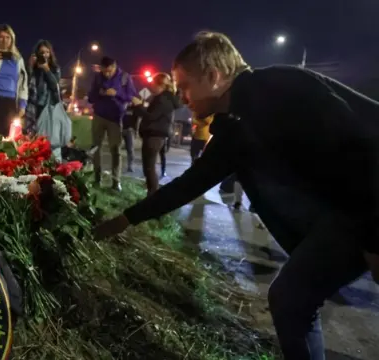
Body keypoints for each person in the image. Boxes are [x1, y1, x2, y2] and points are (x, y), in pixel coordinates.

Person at [94, 31, 379, 360]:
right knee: (292, 300)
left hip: (366, 208)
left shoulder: (281, 88)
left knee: (291, 297)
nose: (182, 97)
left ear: (213, 77)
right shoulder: (234, 127)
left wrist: (373, 238)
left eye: (185, 86)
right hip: (351, 215)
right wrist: (127, 218)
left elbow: (364, 150)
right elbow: (191, 183)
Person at [88, 56, 138, 191]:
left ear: (115, 67)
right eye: (104, 71)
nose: (107, 74)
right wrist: (100, 92)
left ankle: (116, 181)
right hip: (99, 116)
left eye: (109, 71)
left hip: (116, 118)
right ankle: (97, 178)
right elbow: (90, 97)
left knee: (115, 150)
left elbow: (131, 96)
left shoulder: (125, 78)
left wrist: (117, 93)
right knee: (95, 148)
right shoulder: (98, 78)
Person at [130, 73, 181, 195]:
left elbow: (151, 116)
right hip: (155, 135)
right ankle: (151, 195)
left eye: (153, 83)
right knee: (149, 168)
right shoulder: (163, 98)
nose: (151, 86)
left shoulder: (163, 99)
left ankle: (152, 197)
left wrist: (138, 105)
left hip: (154, 136)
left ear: (160, 85)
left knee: (149, 168)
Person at [24, 40, 61, 136]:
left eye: (47, 52)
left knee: (45, 135)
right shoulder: (33, 69)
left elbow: (54, 86)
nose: (45, 55)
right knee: (31, 134)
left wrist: (47, 69)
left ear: (51, 54)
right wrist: (30, 67)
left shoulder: (55, 69)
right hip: (33, 106)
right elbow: (25, 84)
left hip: (47, 106)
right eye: (41, 53)